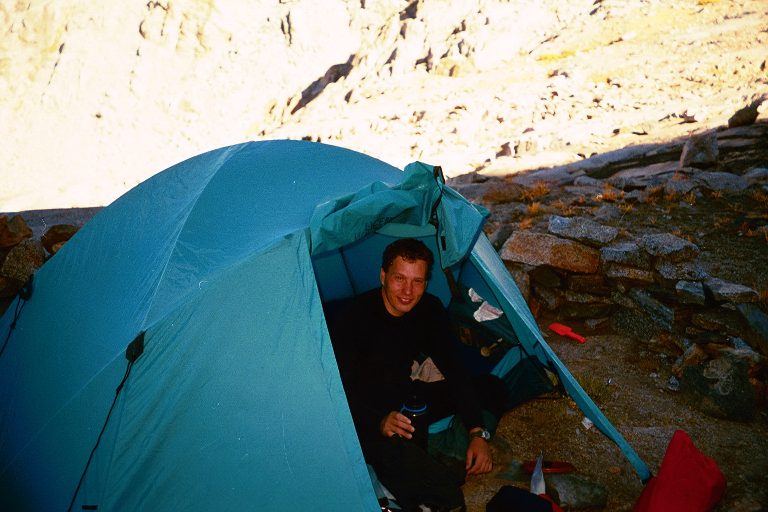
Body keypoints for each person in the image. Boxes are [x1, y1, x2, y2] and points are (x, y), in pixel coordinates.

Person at [329, 238, 507, 511]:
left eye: (418, 281)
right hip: (364, 416)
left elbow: (456, 371)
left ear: (426, 282)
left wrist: (477, 433)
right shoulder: (353, 317)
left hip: (407, 399)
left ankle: (452, 448)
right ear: (383, 276)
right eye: (399, 278)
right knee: (449, 498)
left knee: (493, 387)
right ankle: (432, 461)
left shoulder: (429, 309)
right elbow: (335, 392)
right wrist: (378, 421)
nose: (407, 291)